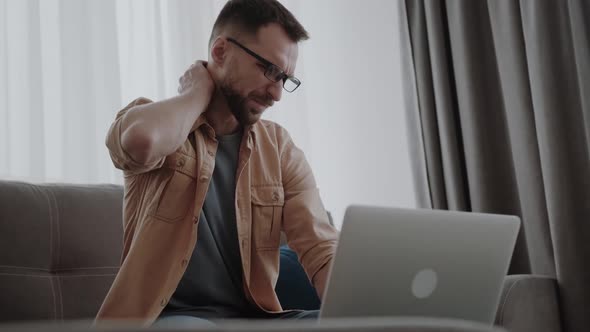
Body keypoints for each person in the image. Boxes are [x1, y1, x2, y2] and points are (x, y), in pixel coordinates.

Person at [94, 0, 339, 327]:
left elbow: (321, 250)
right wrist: (196, 92)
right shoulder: (158, 123)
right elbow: (142, 143)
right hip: (166, 319)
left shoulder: (279, 148)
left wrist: (357, 316)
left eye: (286, 79)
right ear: (221, 52)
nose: (277, 94)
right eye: (269, 70)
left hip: (254, 319)